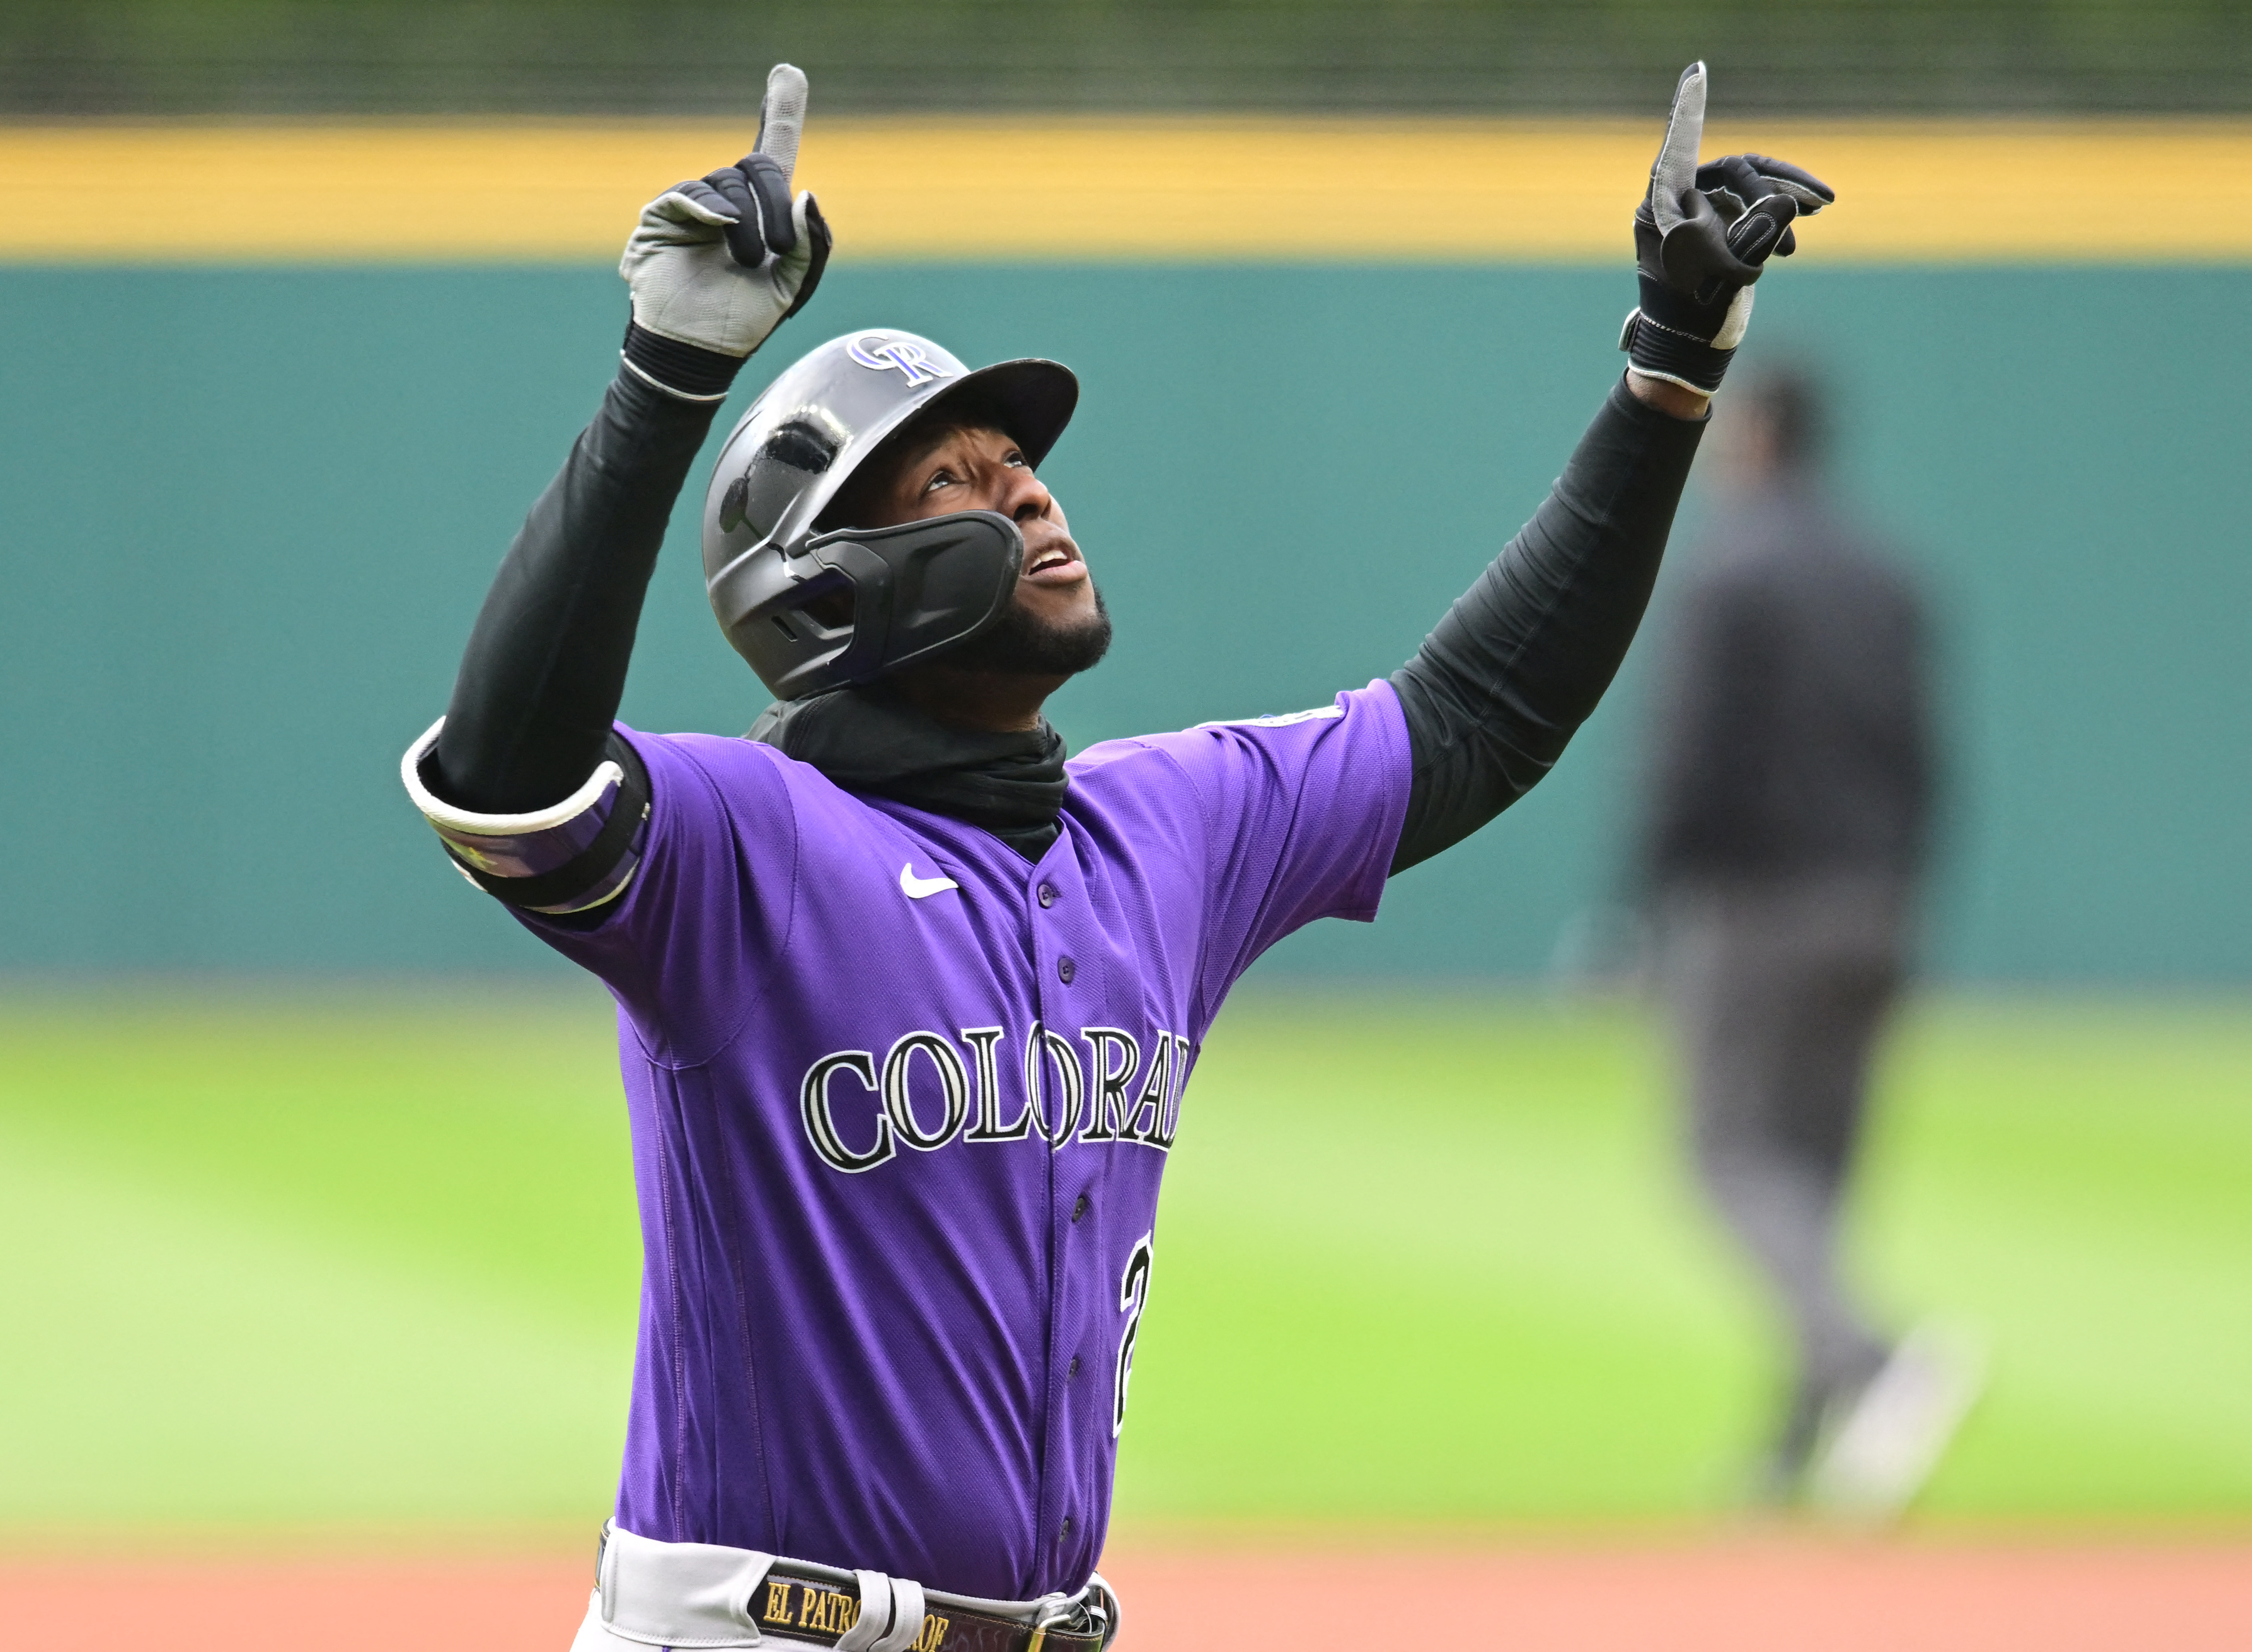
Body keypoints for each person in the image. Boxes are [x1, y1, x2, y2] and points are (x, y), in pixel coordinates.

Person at [401, 60, 1828, 1650]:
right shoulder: (742, 848)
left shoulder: (1167, 829)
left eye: (1018, 458)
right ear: (831, 588)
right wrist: (665, 378)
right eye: (952, 476)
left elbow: (1479, 714)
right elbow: (509, 772)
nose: (1026, 486)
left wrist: (1666, 368)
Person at [1639, 366, 1978, 1517]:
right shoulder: (1890, 577)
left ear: (1758, 439)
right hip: (1877, 904)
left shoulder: (1731, 573)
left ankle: (1877, 1366)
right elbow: (1931, 759)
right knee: (1815, 1191)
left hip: (1761, 904)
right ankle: (1797, 1452)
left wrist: (1650, 904)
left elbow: (1690, 755)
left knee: (1728, 1158)